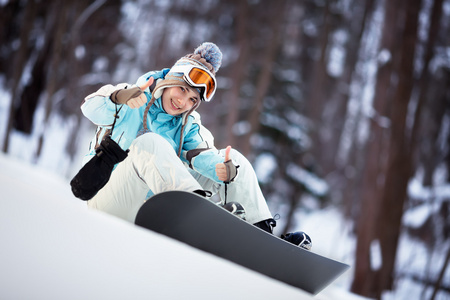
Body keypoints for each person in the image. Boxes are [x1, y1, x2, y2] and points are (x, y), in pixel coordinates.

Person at [78, 42, 311, 249]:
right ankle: (196, 213)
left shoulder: (187, 125)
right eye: (182, 90)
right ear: (170, 81)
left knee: (236, 162)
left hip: (149, 209)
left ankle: (260, 234)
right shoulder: (133, 97)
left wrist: (222, 169)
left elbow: (202, 155)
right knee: (149, 143)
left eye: (192, 100)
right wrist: (118, 97)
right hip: (107, 198)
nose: (183, 102)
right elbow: (90, 108)